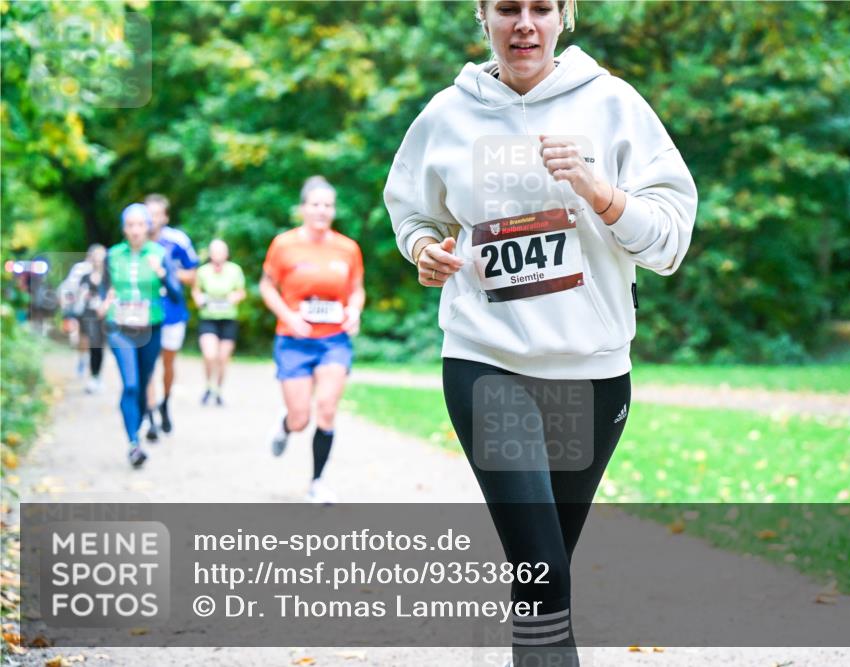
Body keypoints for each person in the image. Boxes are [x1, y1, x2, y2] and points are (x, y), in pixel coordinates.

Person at [383, 1, 697, 665]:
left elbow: (669, 243)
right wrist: (424, 250)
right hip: (487, 361)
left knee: (544, 570)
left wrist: (599, 191)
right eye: (507, 7)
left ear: (564, 16)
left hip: (592, 373)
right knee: (543, 572)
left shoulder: (614, 105)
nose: (524, 22)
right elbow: (412, 212)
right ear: (483, 16)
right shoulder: (446, 114)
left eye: (541, 7)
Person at [260, 176, 365, 503]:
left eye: (328, 205)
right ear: (303, 208)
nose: (322, 210)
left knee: (327, 409)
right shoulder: (283, 245)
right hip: (294, 340)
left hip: (333, 340)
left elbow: (357, 290)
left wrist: (354, 310)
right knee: (300, 418)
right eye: (316, 204)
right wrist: (289, 316)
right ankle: (286, 424)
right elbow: (266, 286)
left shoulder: (348, 248)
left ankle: (317, 482)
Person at [98, 203, 181, 468]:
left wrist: (162, 274)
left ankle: (141, 421)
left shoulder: (159, 253)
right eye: (130, 225)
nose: (135, 230)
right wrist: (103, 302)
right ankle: (134, 444)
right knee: (131, 384)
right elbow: (104, 289)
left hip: (150, 326)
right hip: (119, 326)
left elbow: (177, 295)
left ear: (148, 227)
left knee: (144, 381)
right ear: (124, 228)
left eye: (140, 225)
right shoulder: (113, 255)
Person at [144, 193, 199, 439]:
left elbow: (192, 275)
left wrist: (166, 273)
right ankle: (150, 415)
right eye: (148, 214)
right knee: (147, 365)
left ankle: (165, 402)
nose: (152, 220)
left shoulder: (178, 241)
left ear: (165, 217)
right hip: (145, 314)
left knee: (168, 363)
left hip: (173, 313)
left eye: (156, 214)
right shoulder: (137, 242)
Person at [192, 239, 246, 406]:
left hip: (228, 319)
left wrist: (235, 297)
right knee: (210, 355)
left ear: (226, 254)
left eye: (221, 252)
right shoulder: (202, 271)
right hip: (208, 318)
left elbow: (241, 292)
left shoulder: (235, 270)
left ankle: (219, 390)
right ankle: (209, 385)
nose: (218, 255)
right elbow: (196, 290)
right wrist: (198, 299)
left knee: (223, 358)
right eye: (215, 252)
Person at [58, 244, 106, 387]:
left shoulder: (108, 272)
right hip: (84, 310)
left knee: (97, 344)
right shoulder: (81, 270)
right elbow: (69, 288)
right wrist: (68, 305)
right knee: (84, 339)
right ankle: (83, 359)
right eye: (96, 255)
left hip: (101, 313)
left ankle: (95, 374)